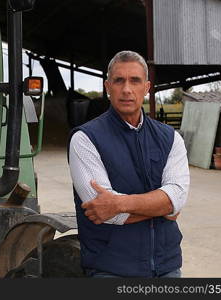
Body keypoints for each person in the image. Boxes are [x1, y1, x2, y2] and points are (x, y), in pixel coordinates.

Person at [68, 50, 190, 278]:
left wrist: (120, 203)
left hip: (167, 266)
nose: (126, 89)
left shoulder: (170, 138)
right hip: (112, 268)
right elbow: (107, 213)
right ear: (107, 86)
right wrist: (163, 207)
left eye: (135, 81)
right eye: (118, 80)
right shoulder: (85, 139)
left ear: (147, 87)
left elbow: (177, 196)